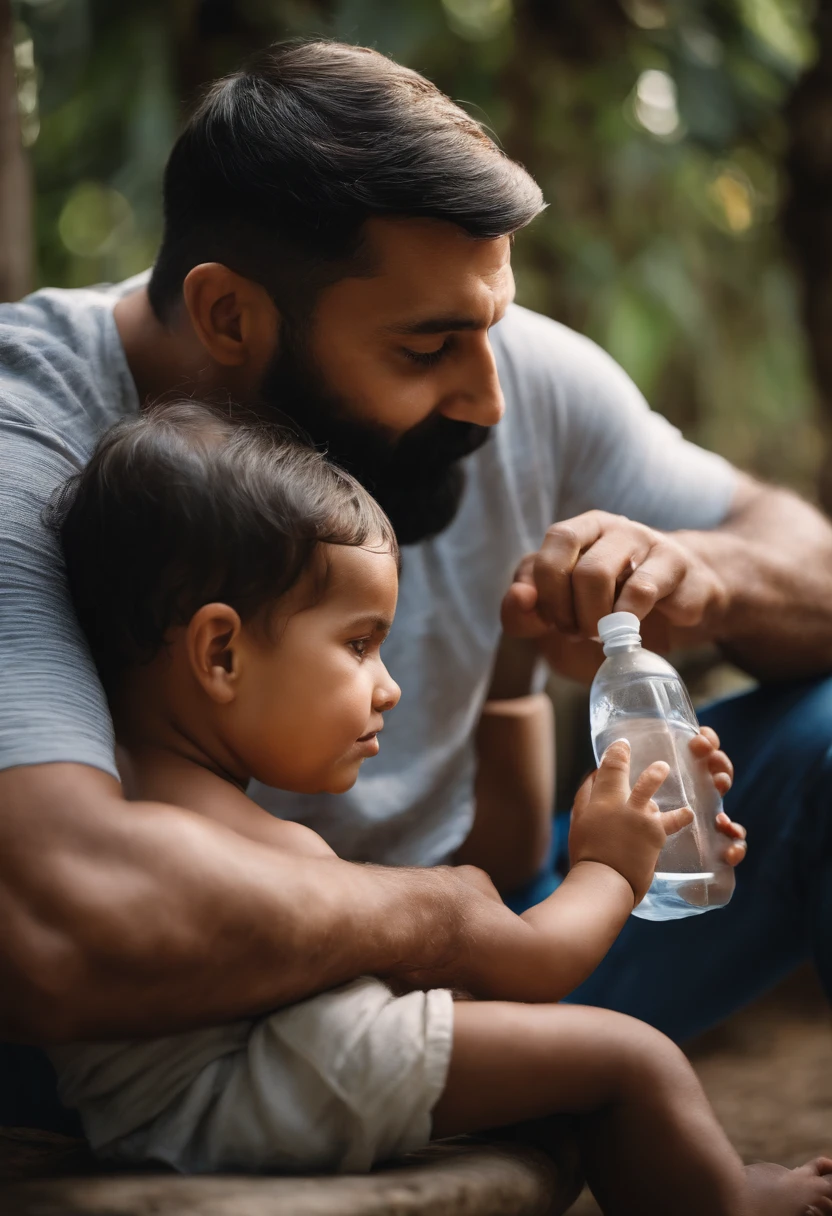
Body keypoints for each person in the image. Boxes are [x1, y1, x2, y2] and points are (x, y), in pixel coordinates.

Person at [1, 39, 831, 1127]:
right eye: (428, 346)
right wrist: (449, 920)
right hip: (161, 1049)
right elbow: (63, 926)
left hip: (507, 960)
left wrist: (707, 577)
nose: (490, 400)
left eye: (488, 325)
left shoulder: (508, 363)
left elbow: (808, 560)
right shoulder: (30, 441)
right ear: (228, 316)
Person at [45, 402, 832, 1215]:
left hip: (215, 1088)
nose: (388, 686)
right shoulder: (220, 839)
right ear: (221, 652)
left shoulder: (124, 787)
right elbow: (538, 964)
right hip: (242, 1092)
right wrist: (610, 864)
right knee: (630, 1058)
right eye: (358, 644)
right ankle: (731, 1202)